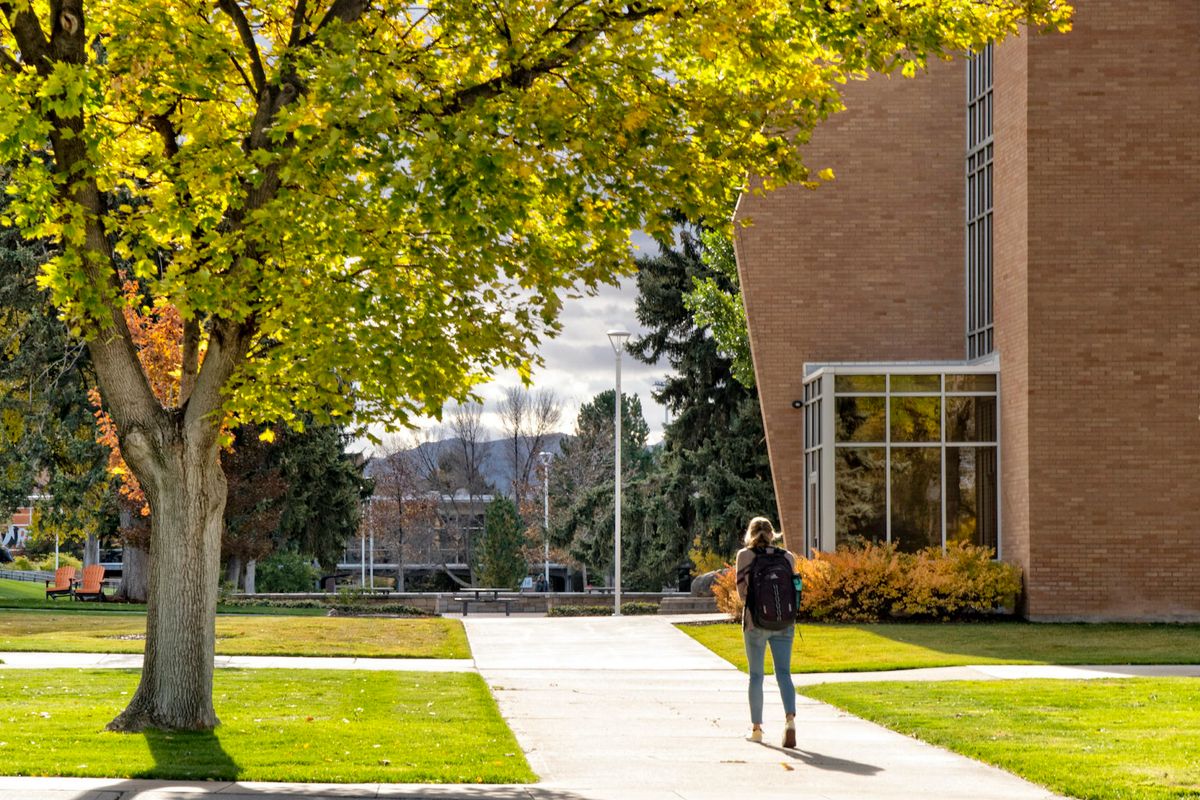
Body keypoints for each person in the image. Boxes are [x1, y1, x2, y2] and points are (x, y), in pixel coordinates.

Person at [735, 516, 797, 747]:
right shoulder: (788, 557)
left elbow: (742, 592)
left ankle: (757, 729)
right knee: (784, 673)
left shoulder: (745, 556)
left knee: (756, 676)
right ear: (773, 534)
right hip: (784, 623)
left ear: (750, 534)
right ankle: (790, 720)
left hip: (755, 623)